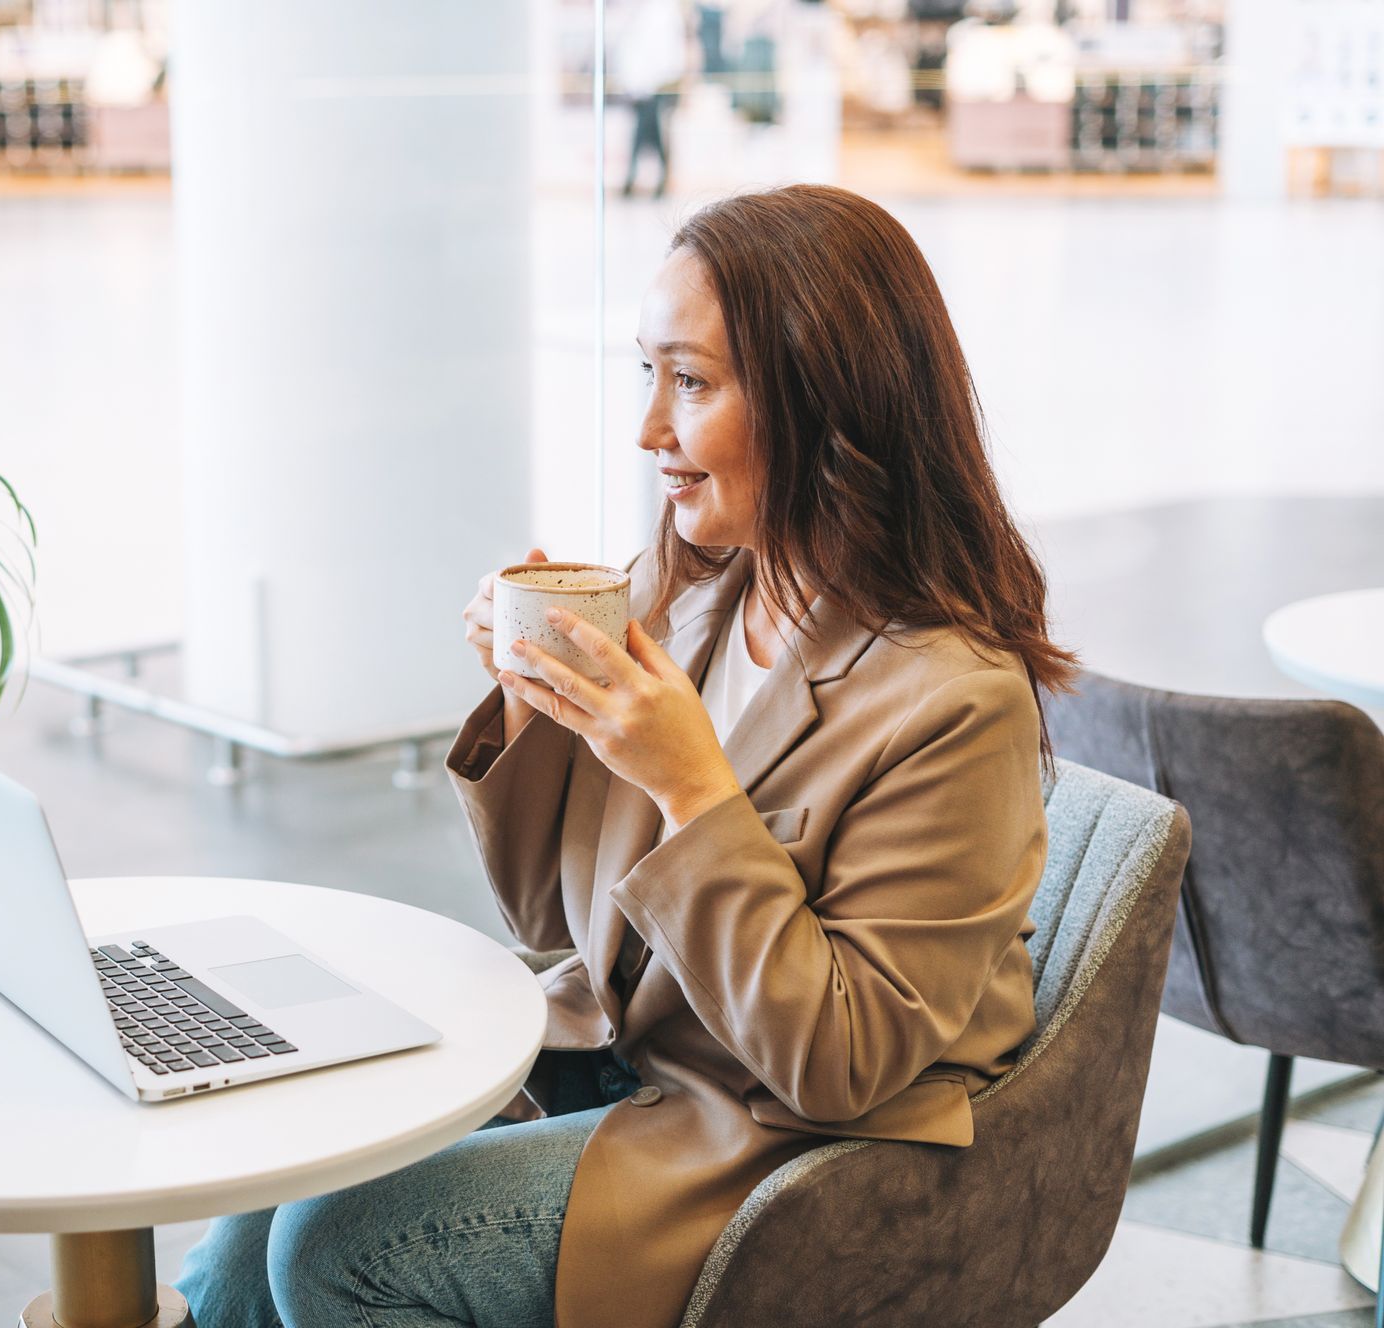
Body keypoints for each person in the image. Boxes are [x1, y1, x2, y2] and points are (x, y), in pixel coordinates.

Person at [174, 184, 1074, 1328]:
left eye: (690, 383)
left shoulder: (955, 700)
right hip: (619, 1064)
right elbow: (557, 925)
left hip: (783, 1140)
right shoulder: (684, 608)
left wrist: (693, 785)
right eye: (646, 375)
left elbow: (843, 1061)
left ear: (822, 401)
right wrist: (539, 710)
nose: (650, 429)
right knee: (262, 1207)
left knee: (334, 1249)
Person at [611, 0, 687, 198]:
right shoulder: (638, 12)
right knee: (640, 136)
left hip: (656, 88)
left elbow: (667, 53)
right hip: (639, 88)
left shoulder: (663, 12)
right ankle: (634, 179)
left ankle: (655, 181)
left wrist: (659, 83)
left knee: (656, 136)